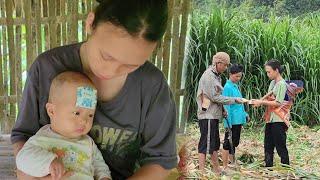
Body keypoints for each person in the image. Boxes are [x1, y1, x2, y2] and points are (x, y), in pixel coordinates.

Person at [11, 0, 177, 179]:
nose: (110, 71)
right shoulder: (47, 69)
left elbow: (160, 162)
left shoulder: (152, 85)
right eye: (106, 56)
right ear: (90, 23)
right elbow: (23, 137)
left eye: (131, 65)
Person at [16, 71, 111, 180]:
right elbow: (22, 159)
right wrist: (48, 162)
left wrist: (104, 177)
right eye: (77, 113)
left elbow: (99, 165)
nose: (84, 121)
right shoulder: (43, 138)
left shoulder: (88, 143)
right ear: (52, 111)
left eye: (90, 115)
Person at [196, 52, 246, 175]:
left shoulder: (216, 76)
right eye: (224, 65)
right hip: (207, 115)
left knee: (214, 144)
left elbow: (217, 97)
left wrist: (223, 110)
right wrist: (234, 100)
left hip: (213, 115)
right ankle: (201, 172)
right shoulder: (208, 76)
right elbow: (214, 97)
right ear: (218, 63)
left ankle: (217, 170)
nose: (226, 68)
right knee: (205, 143)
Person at [251, 59, 290, 167]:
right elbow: (269, 97)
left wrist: (261, 102)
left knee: (280, 145)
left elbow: (278, 102)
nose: (268, 74)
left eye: (269, 72)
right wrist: (258, 101)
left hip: (278, 118)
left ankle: (285, 167)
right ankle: (268, 167)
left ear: (276, 70)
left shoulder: (282, 84)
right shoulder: (273, 83)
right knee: (268, 144)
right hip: (270, 118)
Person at [221, 64, 249, 172]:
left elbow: (239, 103)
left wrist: (245, 114)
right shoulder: (227, 87)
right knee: (228, 142)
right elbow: (225, 105)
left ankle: (232, 162)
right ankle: (224, 166)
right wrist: (227, 123)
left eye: (240, 76)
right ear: (230, 74)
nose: (238, 78)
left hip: (238, 119)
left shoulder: (235, 86)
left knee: (235, 141)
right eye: (236, 76)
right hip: (231, 120)